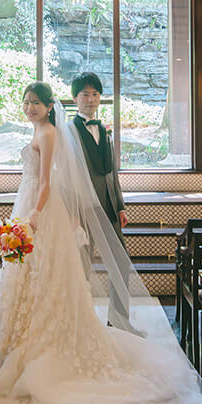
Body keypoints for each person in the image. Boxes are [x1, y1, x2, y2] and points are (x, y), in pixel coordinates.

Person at [0, 82, 202, 404]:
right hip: (34, 204)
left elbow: (64, 178)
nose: (30, 107)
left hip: (46, 208)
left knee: (57, 273)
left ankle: (79, 330)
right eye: (26, 102)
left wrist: (36, 214)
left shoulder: (50, 133)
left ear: (50, 106)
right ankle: (19, 340)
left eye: (36, 102)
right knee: (33, 276)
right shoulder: (50, 130)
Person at [68, 72, 133, 329]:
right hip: (82, 209)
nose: (91, 99)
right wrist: (71, 211)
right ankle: (81, 323)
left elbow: (112, 173)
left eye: (95, 94)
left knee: (121, 264)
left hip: (108, 206)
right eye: (85, 94)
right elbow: (65, 174)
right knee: (81, 266)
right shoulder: (69, 131)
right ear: (75, 98)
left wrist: (120, 206)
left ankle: (118, 320)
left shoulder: (104, 129)